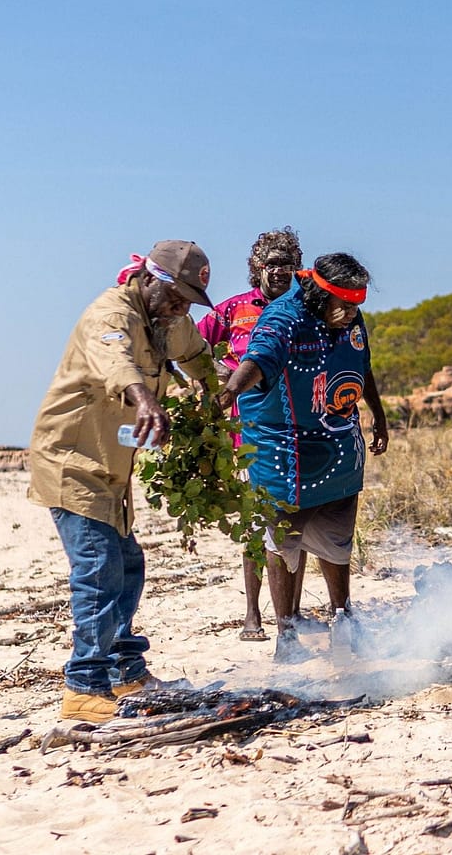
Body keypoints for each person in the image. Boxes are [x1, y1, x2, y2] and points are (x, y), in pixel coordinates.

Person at [29, 240, 217, 723]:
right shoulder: (110, 316)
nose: (181, 309)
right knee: (98, 568)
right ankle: (83, 687)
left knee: (128, 564)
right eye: (176, 296)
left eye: (189, 302)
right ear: (149, 279)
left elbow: (196, 353)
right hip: (72, 461)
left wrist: (216, 389)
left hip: (113, 469)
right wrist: (146, 399)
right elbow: (118, 363)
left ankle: (125, 671)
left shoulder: (165, 321)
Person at [219, 253, 389, 663]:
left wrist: (379, 416)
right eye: (344, 307)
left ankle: (344, 617)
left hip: (338, 449)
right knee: (282, 539)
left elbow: (361, 366)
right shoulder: (283, 317)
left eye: (356, 307)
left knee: (337, 537)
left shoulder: (350, 318)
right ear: (318, 295)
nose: (350, 315)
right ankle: (287, 634)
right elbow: (258, 362)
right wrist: (227, 395)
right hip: (285, 453)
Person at [197, 228, 305, 642]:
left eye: (286, 263)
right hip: (248, 439)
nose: (279, 270)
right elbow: (193, 345)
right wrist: (219, 374)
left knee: (295, 528)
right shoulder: (234, 310)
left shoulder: (304, 309)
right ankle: (251, 615)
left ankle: (290, 614)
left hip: (298, 435)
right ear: (256, 267)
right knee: (258, 526)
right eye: (271, 263)